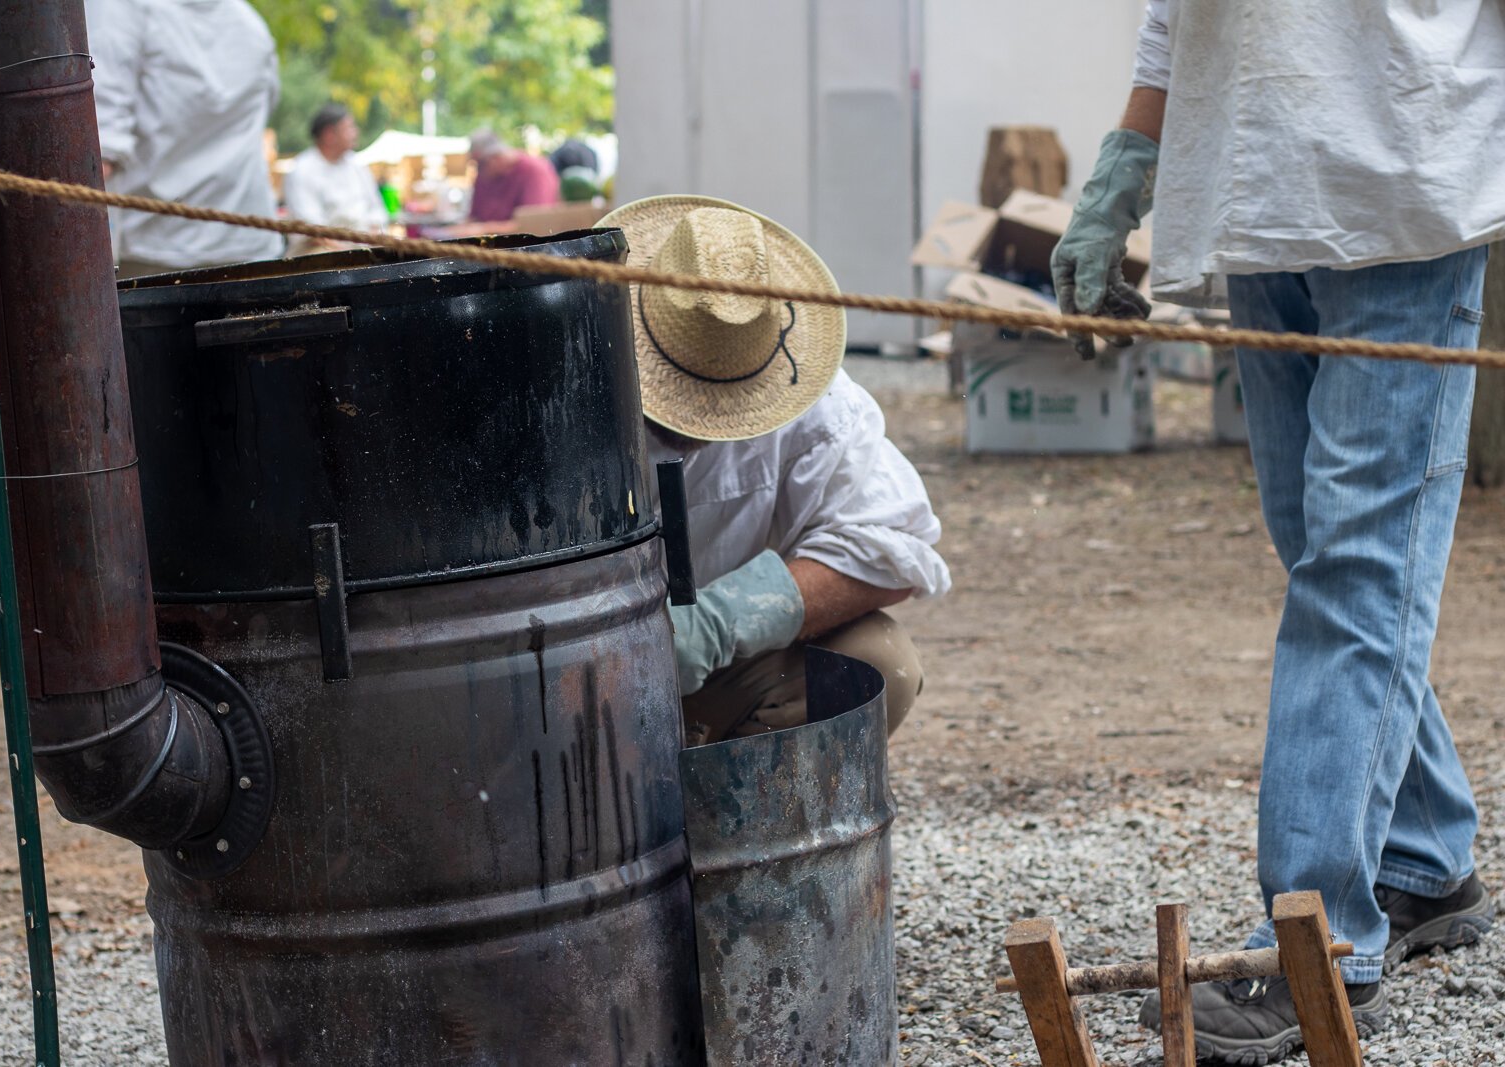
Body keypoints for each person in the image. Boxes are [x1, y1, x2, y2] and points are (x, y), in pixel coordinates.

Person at [1053, 2, 1501, 1059]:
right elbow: (1178, 17)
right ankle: (1425, 856)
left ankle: (1318, 940)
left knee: (1356, 564)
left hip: (1407, 187)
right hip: (1255, 192)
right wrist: (1119, 177)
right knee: (1317, 544)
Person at [598, 195, 951, 743]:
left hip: (719, 680)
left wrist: (715, 626)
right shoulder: (568, 379)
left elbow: (891, 547)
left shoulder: (816, 403)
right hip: (577, 685)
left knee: (875, 661)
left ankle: (741, 817)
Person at [85, 0, 284, 276]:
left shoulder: (116, 8)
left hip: (154, 252)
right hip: (251, 240)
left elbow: (97, 148)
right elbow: (268, 107)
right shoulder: (251, 23)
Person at [283, 103, 387, 254]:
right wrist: (349, 254)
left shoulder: (356, 165)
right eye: (350, 128)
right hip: (319, 251)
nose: (355, 132)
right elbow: (313, 231)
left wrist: (375, 236)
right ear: (329, 134)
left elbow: (376, 209)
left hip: (362, 248)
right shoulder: (302, 170)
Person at [466, 129, 560, 224]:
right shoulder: (484, 176)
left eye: (479, 164)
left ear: (496, 158)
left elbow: (535, 223)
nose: (478, 170)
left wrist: (484, 230)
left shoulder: (534, 170)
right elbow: (474, 217)